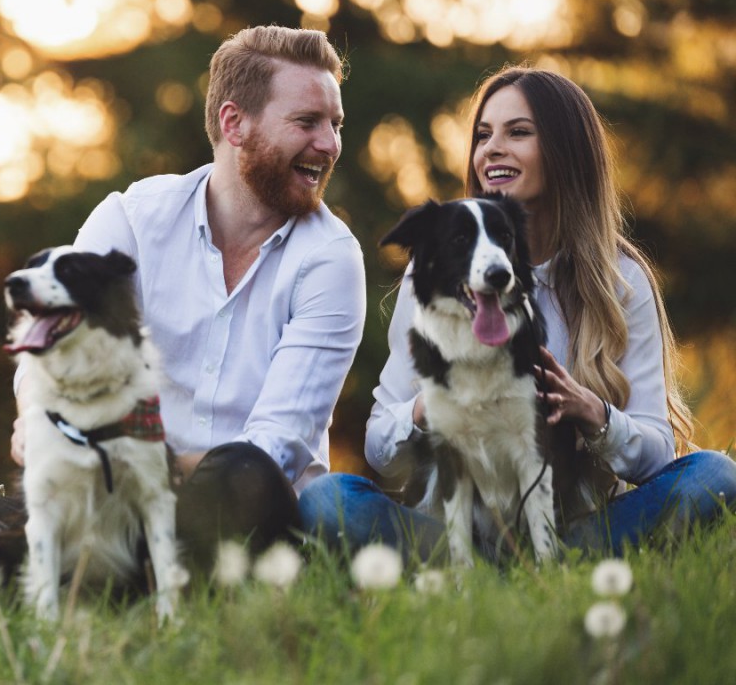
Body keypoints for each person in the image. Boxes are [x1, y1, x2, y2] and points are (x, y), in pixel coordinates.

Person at [0, 25, 367, 583]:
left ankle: (28, 580)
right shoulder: (136, 216)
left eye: (335, 125)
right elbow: (50, 343)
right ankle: (76, 580)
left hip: (240, 520)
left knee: (244, 469)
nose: (330, 144)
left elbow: (276, 448)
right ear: (235, 123)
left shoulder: (330, 259)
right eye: (308, 122)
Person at [299, 65, 736, 562]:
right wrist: (428, 408)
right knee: (326, 501)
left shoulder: (621, 281)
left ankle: (555, 571)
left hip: (579, 535)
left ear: (566, 152)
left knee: (715, 477)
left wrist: (592, 414)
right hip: (452, 539)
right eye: (483, 135)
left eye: (518, 133)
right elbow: (380, 447)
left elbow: (659, 454)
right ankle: (470, 573)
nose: (491, 149)